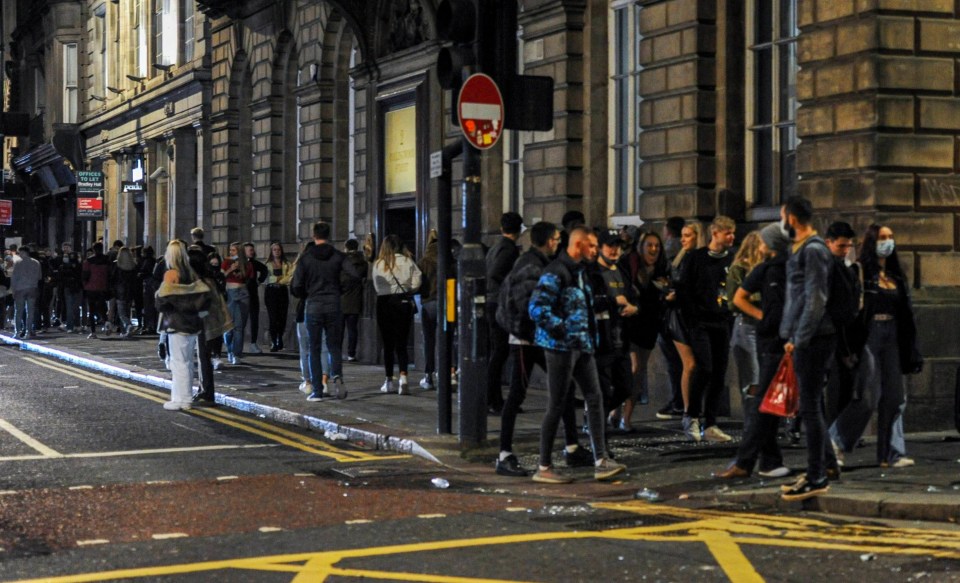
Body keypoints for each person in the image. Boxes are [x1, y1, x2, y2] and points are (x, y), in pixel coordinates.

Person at [528, 227, 626, 484]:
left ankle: (601, 460)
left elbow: (585, 307)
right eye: (592, 246)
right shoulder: (557, 272)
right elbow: (536, 308)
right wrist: (561, 328)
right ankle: (544, 466)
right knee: (557, 404)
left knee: (595, 398)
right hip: (560, 348)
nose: (595, 250)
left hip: (581, 346)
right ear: (578, 244)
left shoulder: (579, 272)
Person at [495, 222, 591, 477]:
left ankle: (572, 447)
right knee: (517, 393)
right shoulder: (531, 266)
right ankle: (504, 454)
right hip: (527, 341)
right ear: (548, 240)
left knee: (565, 389)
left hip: (538, 338)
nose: (559, 242)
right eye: (557, 238)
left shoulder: (537, 263)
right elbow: (530, 307)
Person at [829, 224, 922, 469]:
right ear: (872, 242)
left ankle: (892, 452)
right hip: (869, 334)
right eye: (882, 238)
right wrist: (848, 348)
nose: (888, 242)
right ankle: (835, 439)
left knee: (895, 396)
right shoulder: (860, 271)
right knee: (868, 396)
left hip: (893, 336)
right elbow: (850, 311)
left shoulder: (896, 275)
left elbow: (906, 314)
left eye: (891, 237)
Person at [715, 223, 792, 480]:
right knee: (763, 401)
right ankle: (751, 461)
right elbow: (738, 298)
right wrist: (764, 318)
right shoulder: (764, 270)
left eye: (764, 241)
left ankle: (767, 461)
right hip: (769, 343)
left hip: (791, 342)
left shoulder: (793, 268)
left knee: (780, 404)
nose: (760, 245)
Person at [779, 196, 840, 501]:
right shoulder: (803, 249)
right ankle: (826, 465)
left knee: (810, 408)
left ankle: (816, 476)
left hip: (814, 339)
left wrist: (798, 338)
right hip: (809, 336)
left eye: (783, 216)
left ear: (791, 218)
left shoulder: (813, 250)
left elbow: (815, 299)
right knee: (813, 405)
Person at [674, 216, 736, 443]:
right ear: (715, 233)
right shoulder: (696, 258)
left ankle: (710, 423)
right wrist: (693, 318)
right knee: (705, 367)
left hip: (722, 321)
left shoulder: (732, 258)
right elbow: (684, 290)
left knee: (719, 372)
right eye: (727, 233)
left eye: (732, 233)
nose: (731, 237)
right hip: (701, 322)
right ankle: (691, 415)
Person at [291, 221, 360, 401]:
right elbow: (354, 275)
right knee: (333, 346)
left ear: (314, 235)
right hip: (334, 304)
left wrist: (306, 293)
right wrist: (340, 289)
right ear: (328, 235)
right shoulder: (338, 256)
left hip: (313, 305)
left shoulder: (306, 258)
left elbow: (296, 285)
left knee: (314, 348)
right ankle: (337, 376)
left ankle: (317, 391)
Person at [588, 229, 638, 436]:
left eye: (617, 245)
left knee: (625, 387)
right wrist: (613, 302)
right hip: (602, 340)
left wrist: (635, 308)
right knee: (602, 387)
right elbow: (589, 302)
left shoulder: (622, 271)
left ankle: (595, 416)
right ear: (600, 248)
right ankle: (597, 431)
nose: (614, 250)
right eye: (610, 245)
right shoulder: (592, 272)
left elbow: (633, 297)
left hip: (622, 338)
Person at [620, 231, 670, 429]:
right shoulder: (630, 266)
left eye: (657, 246)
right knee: (631, 369)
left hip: (649, 324)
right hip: (631, 324)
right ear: (641, 247)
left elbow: (659, 300)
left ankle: (627, 417)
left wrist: (667, 295)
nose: (654, 249)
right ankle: (617, 412)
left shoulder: (661, 269)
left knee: (639, 372)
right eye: (649, 245)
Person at [155, 240, 211, 411]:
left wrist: (159, 295)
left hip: (176, 323)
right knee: (186, 362)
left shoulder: (171, 274)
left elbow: (162, 303)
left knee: (178, 363)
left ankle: (182, 399)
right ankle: (181, 398)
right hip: (193, 323)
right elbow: (204, 300)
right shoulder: (192, 273)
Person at [725, 231, 765, 433]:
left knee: (763, 378)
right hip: (746, 326)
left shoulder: (765, 269)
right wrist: (756, 302)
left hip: (763, 329)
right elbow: (732, 302)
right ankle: (752, 425)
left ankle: (761, 424)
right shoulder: (739, 268)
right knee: (752, 379)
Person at [372, 234, 422, 395]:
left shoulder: (379, 263)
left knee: (388, 344)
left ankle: (388, 380)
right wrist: (407, 290)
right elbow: (417, 281)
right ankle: (403, 377)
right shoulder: (408, 261)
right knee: (402, 343)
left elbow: (376, 285)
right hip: (403, 302)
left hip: (384, 303)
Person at [486, 211, 524, 414]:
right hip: (499, 304)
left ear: (502, 228)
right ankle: (493, 400)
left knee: (499, 353)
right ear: (519, 229)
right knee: (500, 353)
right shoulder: (509, 249)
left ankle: (495, 399)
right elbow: (495, 273)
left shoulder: (495, 247)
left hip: (492, 302)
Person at [188, 246, 232, 405]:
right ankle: (203, 390)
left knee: (204, 358)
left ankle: (207, 392)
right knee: (202, 357)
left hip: (206, 325)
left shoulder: (202, 282)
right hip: (209, 324)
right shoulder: (207, 279)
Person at [221, 242, 253, 365]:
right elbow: (221, 276)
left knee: (240, 326)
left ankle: (237, 352)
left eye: (234, 250)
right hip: (231, 293)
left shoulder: (247, 263)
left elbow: (249, 277)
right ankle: (232, 352)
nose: (231, 252)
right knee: (231, 327)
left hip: (243, 293)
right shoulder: (226, 262)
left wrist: (241, 269)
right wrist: (231, 269)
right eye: (230, 250)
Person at [418, 231, 440, 389]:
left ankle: (428, 375)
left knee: (429, 340)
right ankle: (449, 372)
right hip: (446, 304)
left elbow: (418, 282)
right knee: (446, 340)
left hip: (428, 303)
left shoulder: (424, 261)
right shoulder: (448, 260)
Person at [264, 241, 293, 352]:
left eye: (278, 249)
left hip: (282, 292)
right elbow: (266, 279)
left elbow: (289, 277)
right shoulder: (268, 264)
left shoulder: (286, 263)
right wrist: (278, 279)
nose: (277, 251)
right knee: (273, 317)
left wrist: (281, 280)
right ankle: (273, 341)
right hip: (271, 292)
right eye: (274, 250)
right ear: (271, 252)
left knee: (282, 317)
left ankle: (280, 337)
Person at [341, 238, 368, 362]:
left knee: (339, 329)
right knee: (352, 329)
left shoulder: (342, 262)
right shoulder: (363, 263)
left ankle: (337, 351)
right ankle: (351, 354)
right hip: (355, 300)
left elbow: (339, 280)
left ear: (346, 247)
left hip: (341, 300)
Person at [243, 242, 269, 354]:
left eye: (252, 250)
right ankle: (237, 344)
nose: (252, 252)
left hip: (253, 294)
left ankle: (253, 343)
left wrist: (259, 280)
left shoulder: (254, 263)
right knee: (241, 320)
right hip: (241, 294)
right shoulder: (239, 263)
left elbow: (264, 269)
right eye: (249, 250)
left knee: (254, 319)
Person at [10, 246, 42, 338]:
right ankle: (28, 332)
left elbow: (14, 277)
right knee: (30, 311)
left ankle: (17, 332)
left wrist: (13, 290)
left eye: (20, 253)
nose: (19, 254)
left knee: (19, 311)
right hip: (32, 288)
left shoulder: (18, 263)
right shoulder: (36, 262)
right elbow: (39, 276)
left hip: (20, 289)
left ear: (23, 253)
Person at [81, 242, 111, 339]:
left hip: (91, 288)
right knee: (102, 307)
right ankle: (106, 322)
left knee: (92, 310)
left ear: (93, 250)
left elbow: (85, 275)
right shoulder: (107, 260)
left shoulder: (89, 261)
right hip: (103, 287)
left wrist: (85, 285)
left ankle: (93, 332)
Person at [112, 247, 139, 337]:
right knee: (127, 311)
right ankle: (126, 331)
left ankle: (128, 325)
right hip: (131, 291)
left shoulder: (117, 265)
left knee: (121, 313)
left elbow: (113, 278)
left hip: (120, 291)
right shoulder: (134, 266)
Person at [139, 246, 159, 334]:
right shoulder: (154, 261)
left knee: (148, 306)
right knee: (152, 306)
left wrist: (140, 274)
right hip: (154, 285)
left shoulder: (146, 261)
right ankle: (153, 325)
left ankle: (150, 326)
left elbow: (144, 272)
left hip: (148, 285)